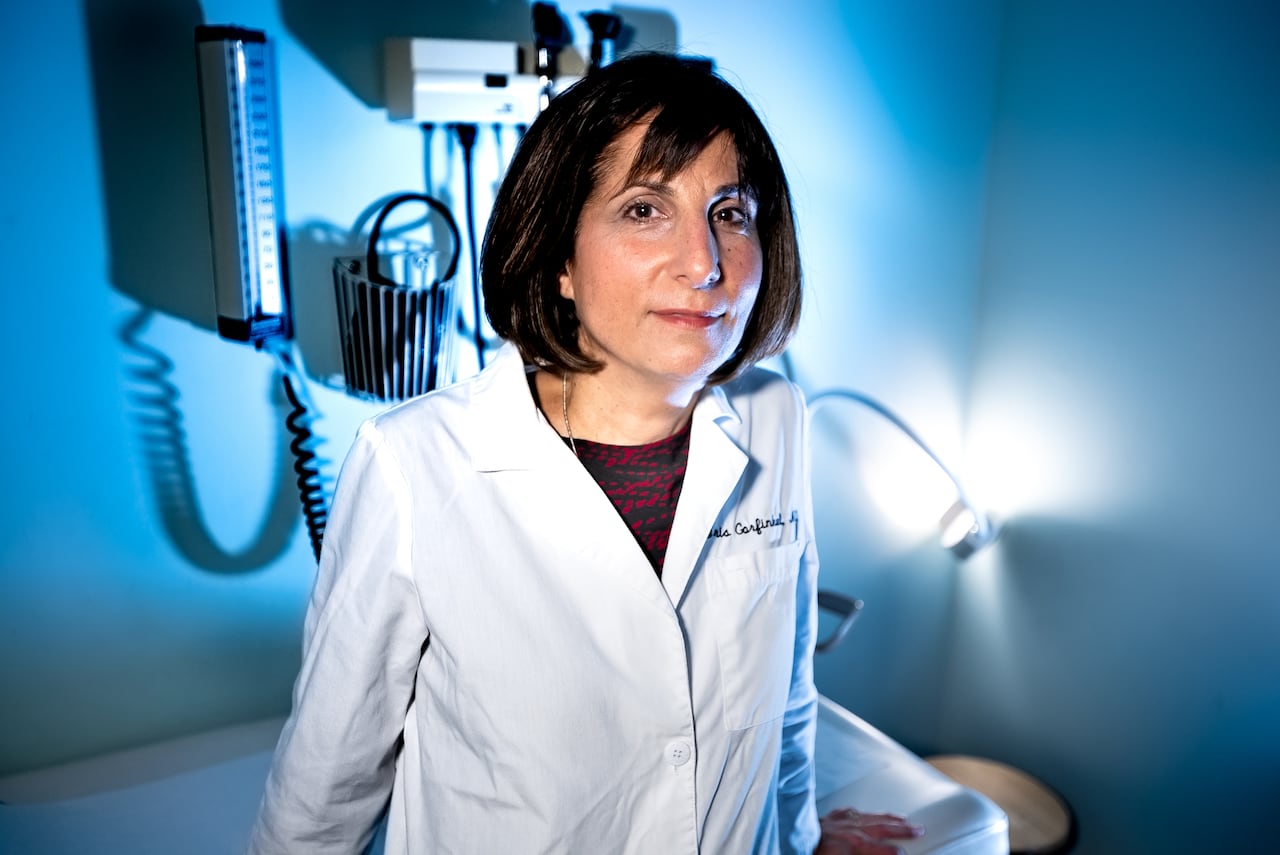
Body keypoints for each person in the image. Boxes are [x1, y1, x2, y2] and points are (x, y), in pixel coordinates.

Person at [249, 52, 924, 855]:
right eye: (644, 209)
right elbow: (324, 797)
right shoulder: (416, 465)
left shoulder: (777, 418)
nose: (703, 262)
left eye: (731, 213)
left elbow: (785, 694)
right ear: (561, 259)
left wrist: (800, 831)